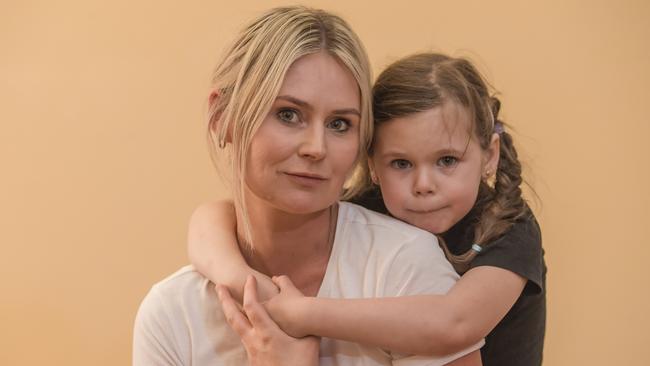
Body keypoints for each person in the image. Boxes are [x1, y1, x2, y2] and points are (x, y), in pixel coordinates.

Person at [133, 6, 482, 366]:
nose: (316, 147)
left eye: (340, 124)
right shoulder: (172, 314)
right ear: (224, 119)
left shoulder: (404, 266)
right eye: (288, 114)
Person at [188, 53, 546, 365]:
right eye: (401, 164)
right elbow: (210, 220)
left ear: (490, 156)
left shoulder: (509, 228)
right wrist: (243, 282)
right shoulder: (371, 208)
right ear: (372, 165)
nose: (423, 184)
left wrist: (306, 314)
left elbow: (454, 323)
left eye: (447, 160)